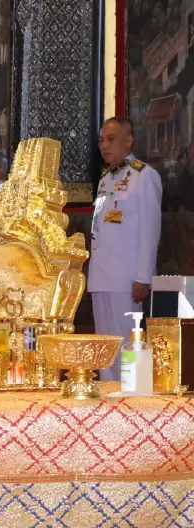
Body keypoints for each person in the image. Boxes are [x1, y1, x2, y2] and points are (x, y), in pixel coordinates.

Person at [90, 116, 162, 381]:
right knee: (104, 347)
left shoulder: (143, 176)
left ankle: (131, 401)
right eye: (101, 140)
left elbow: (150, 229)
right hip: (101, 276)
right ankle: (109, 399)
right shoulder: (105, 179)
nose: (104, 146)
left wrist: (143, 276)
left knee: (127, 344)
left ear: (128, 141)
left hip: (125, 278)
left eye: (111, 139)